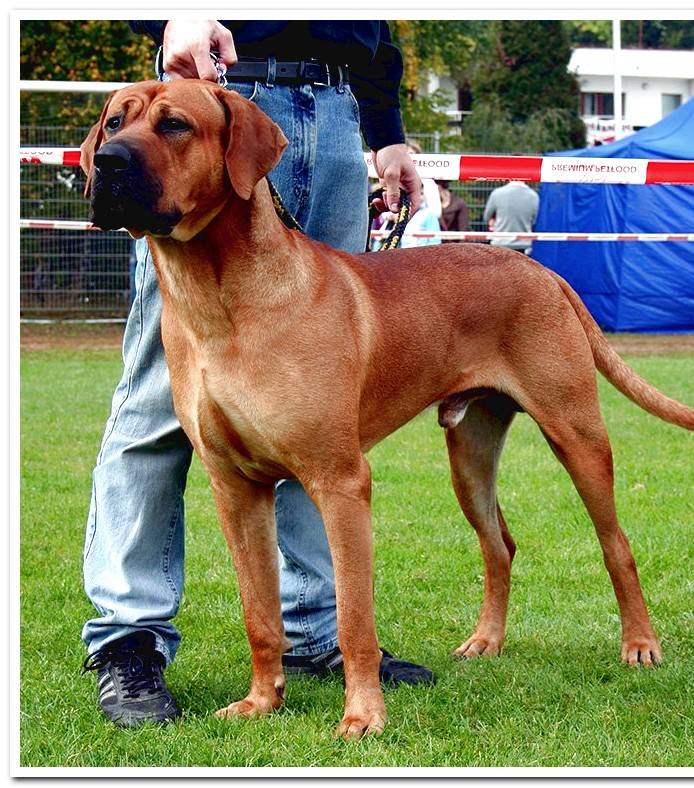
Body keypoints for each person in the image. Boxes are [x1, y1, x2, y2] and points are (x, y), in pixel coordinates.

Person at [81, 19, 432, 729]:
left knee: (316, 420)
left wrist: (387, 129)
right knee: (156, 407)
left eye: (146, 129)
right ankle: (128, 636)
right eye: (113, 131)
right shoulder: (171, 119)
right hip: (217, 84)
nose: (116, 148)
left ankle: (315, 637)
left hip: (335, 114)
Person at [482, 180, 539, 254]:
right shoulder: (534, 196)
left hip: (500, 243)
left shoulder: (497, 193)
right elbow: (535, 221)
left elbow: (486, 217)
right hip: (523, 245)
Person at [399, 183, 442, 248]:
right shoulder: (403, 213)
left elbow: (435, 242)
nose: (420, 197)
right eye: (415, 194)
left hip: (422, 254)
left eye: (421, 193)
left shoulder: (429, 215)